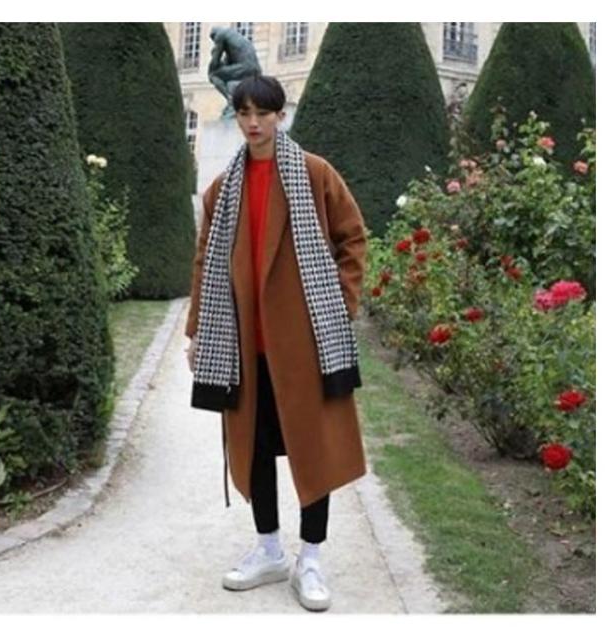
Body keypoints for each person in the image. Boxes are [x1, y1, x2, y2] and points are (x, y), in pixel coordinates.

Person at [185, 74, 367, 612]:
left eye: (262, 113)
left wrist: (338, 306)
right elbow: (204, 262)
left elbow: (352, 238)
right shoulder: (223, 188)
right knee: (255, 448)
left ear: (279, 116)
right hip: (244, 346)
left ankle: (310, 558)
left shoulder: (314, 173)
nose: (252, 122)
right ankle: (269, 549)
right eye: (244, 112)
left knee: (313, 447)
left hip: (306, 346)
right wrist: (198, 330)